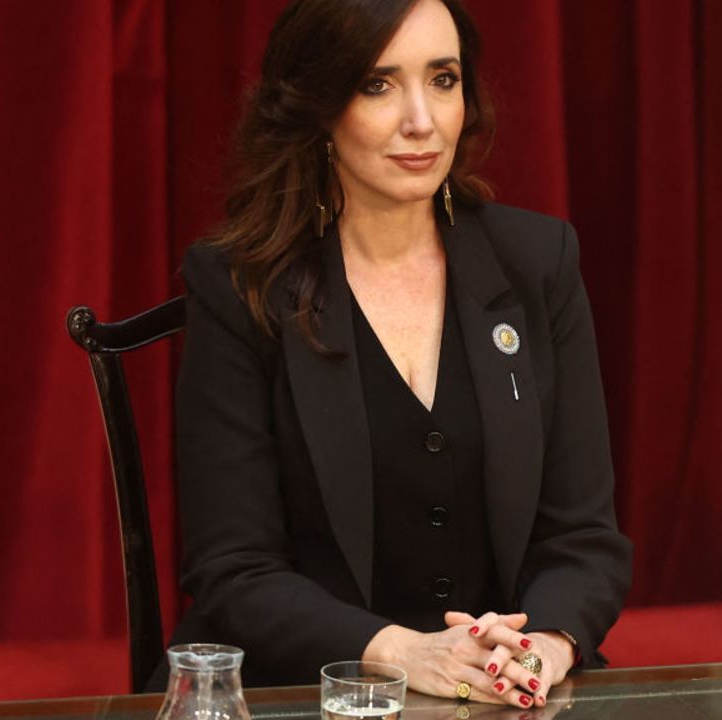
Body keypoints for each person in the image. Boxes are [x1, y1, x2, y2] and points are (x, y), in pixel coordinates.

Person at [163, 0, 632, 707]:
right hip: (299, 691)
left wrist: (546, 647)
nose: (423, 120)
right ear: (319, 105)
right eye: (377, 85)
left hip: (500, 695)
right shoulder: (242, 286)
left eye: (443, 80)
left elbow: (585, 539)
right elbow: (235, 569)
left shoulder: (538, 262)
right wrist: (401, 654)